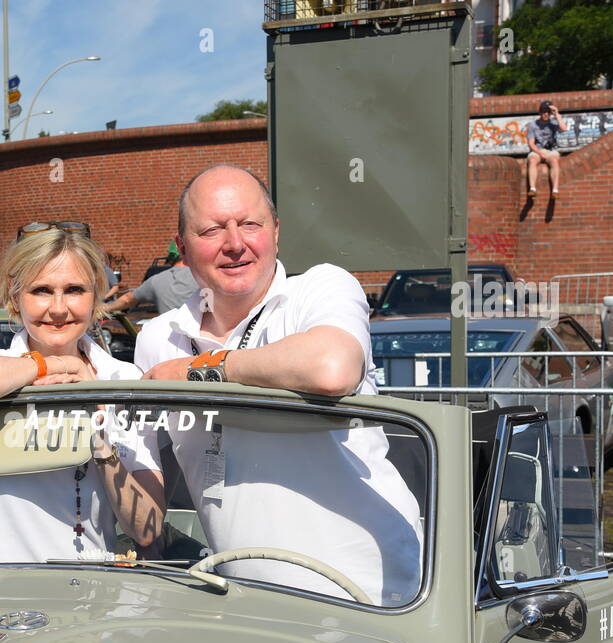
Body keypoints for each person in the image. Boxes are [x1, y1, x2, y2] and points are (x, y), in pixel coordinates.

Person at [136, 164, 422, 605]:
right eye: (212, 230)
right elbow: (150, 485)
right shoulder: (159, 338)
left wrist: (198, 370)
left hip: (372, 594)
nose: (235, 244)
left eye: (250, 224)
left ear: (276, 231)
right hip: (244, 601)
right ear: (184, 248)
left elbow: (332, 368)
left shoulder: (320, 290)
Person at [0, 226, 165, 563]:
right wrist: (55, 365)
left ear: (96, 297)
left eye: (74, 290)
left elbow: (147, 527)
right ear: (15, 298)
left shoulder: (122, 378)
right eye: (41, 290)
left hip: (81, 588)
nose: (58, 308)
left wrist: (97, 431)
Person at [108, 253, 200, 317]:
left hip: (170, 337)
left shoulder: (157, 280)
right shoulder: (204, 277)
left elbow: (127, 299)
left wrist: (103, 308)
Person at [525, 101, 568, 196]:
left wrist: (556, 113)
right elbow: (531, 144)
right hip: (537, 150)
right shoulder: (533, 125)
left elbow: (564, 128)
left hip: (551, 151)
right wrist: (540, 153)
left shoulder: (553, 123)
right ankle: (532, 189)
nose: (546, 114)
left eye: (548, 112)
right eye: (544, 112)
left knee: (554, 161)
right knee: (532, 160)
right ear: (540, 112)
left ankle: (555, 191)